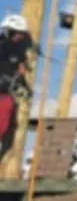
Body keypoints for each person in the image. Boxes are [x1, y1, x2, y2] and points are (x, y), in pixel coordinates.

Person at [0, 14, 33, 157]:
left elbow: (20, 71)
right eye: (17, 33)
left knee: (7, 125)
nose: (19, 37)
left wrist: (25, 87)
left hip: (5, 94)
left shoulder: (18, 52)